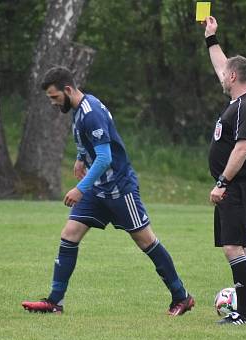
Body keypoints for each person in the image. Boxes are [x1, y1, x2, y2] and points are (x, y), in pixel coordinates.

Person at [21, 66, 195, 316]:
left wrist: (80, 189)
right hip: (98, 189)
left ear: (67, 90)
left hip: (119, 189)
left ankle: (182, 296)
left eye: (54, 97)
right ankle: (54, 301)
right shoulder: (78, 109)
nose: (53, 102)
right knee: (70, 234)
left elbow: (104, 157)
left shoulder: (91, 113)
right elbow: (90, 143)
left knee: (146, 241)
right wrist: (81, 157)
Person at [203, 16, 246, 325]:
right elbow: (220, 65)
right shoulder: (239, 100)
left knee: (232, 247)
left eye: (225, 74)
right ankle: (244, 311)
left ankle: (244, 314)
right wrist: (211, 38)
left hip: (238, 187)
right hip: (233, 187)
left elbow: (243, 148)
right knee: (237, 246)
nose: (221, 76)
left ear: (234, 76)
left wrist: (222, 181)